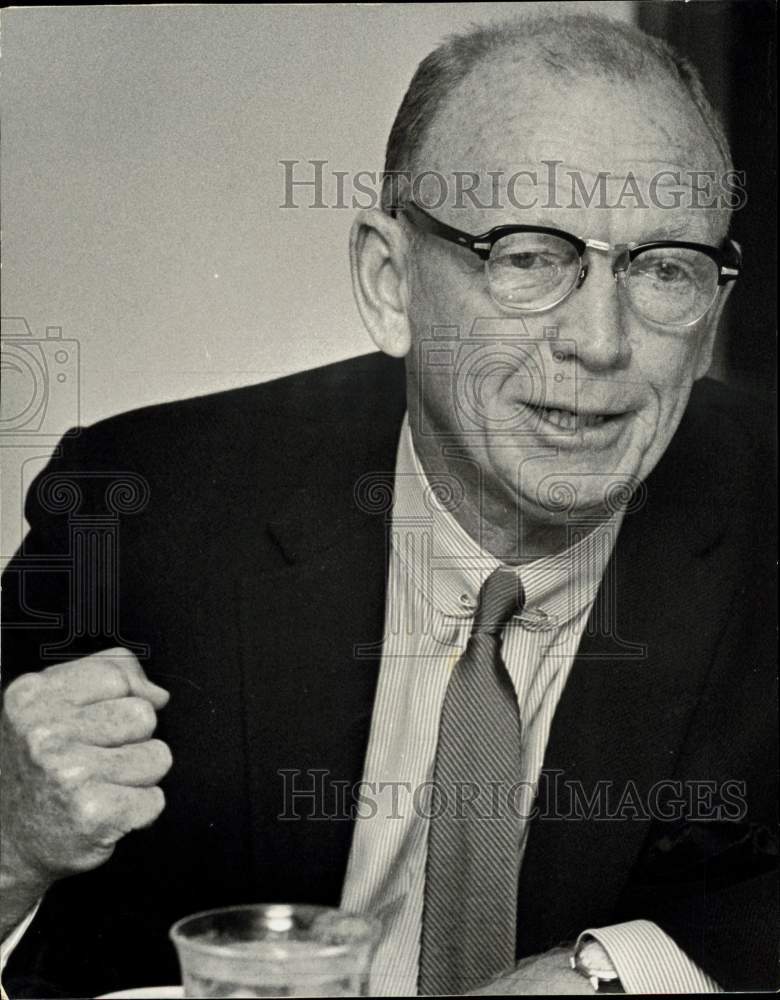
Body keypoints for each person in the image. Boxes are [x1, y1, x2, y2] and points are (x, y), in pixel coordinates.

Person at [1, 12, 776, 997]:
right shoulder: (142, 503)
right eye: (528, 256)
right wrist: (8, 839)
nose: (599, 342)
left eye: (664, 267)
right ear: (388, 281)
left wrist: (625, 969)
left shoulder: (759, 510)